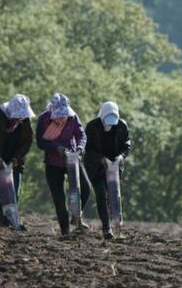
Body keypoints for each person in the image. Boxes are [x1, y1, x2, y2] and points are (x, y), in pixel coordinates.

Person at [36, 93, 87, 236]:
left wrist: (80, 148)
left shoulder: (73, 117)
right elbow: (41, 142)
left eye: (63, 115)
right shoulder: (43, 120)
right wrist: (56, 148)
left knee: (85, 187)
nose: (61, 118)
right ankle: (65, 232)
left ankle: (76, 216)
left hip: (73, 159)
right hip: (53, 162)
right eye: (58, 115)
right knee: (59, 198)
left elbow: (81, 135)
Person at [0, 94, 34, 228]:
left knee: (13, 192)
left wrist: (16, 158)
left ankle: (12, 220)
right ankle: (2, 219)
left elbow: (27, 142)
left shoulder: (25, 121)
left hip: (13, 162)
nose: (19, 118)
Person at [81, 101, 131, 239]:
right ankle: (106, 228)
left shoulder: (122, 126)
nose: (110, 124)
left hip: (114, 166)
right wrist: (101, 159)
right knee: (101, 195)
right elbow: (88, 148)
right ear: (102, 116)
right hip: (96, 167)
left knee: (114, 197)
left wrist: (121, 157)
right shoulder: (92, 126)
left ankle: (118, 225)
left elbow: (126, 145)